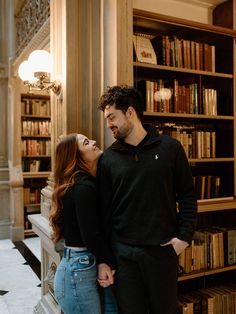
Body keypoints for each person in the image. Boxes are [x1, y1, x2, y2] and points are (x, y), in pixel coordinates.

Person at [97, 85, 198, 314]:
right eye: (106, 119)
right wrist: (105, 258)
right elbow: (104, 211)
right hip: (123, 255)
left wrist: (184, 237)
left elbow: (188, 195)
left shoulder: (170, 148)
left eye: (112, 117)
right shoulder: (108, 157)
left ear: (130, 112)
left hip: (162, 252)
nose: (108, 124)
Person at [49, 133, 118, 314]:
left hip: (81, 266)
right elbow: (91, 235)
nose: (94, 142)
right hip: (78, 272)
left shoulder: (83, 183)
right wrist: (110, 262)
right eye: (86, 143)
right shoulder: (82, 187)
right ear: (76, 156)